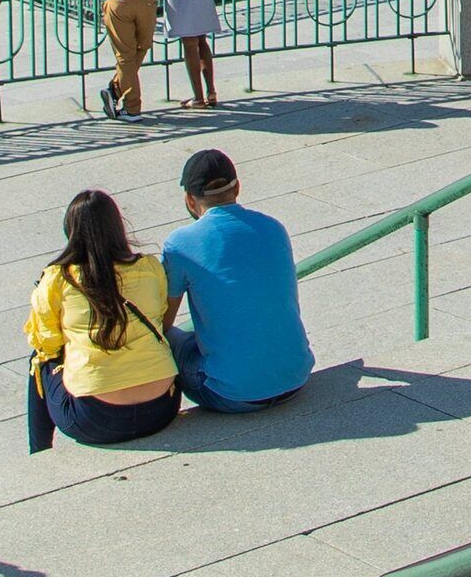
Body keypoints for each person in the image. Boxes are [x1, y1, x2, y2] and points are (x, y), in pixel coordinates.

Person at [158, 148, 314, 414]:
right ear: (238, 187)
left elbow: (163, 321)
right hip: (296, 377)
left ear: (190, 200)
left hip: (231, 395)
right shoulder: (274, 227)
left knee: (170, 338)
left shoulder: (180, 244)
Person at [26, 189, 180, 450]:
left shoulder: (58, 279)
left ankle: (38, 450)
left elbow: (47, 344)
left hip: (94, 419)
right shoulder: (149, 267)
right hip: (161, 409)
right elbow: (159, 317)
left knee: (38, 359)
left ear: (71, 231)